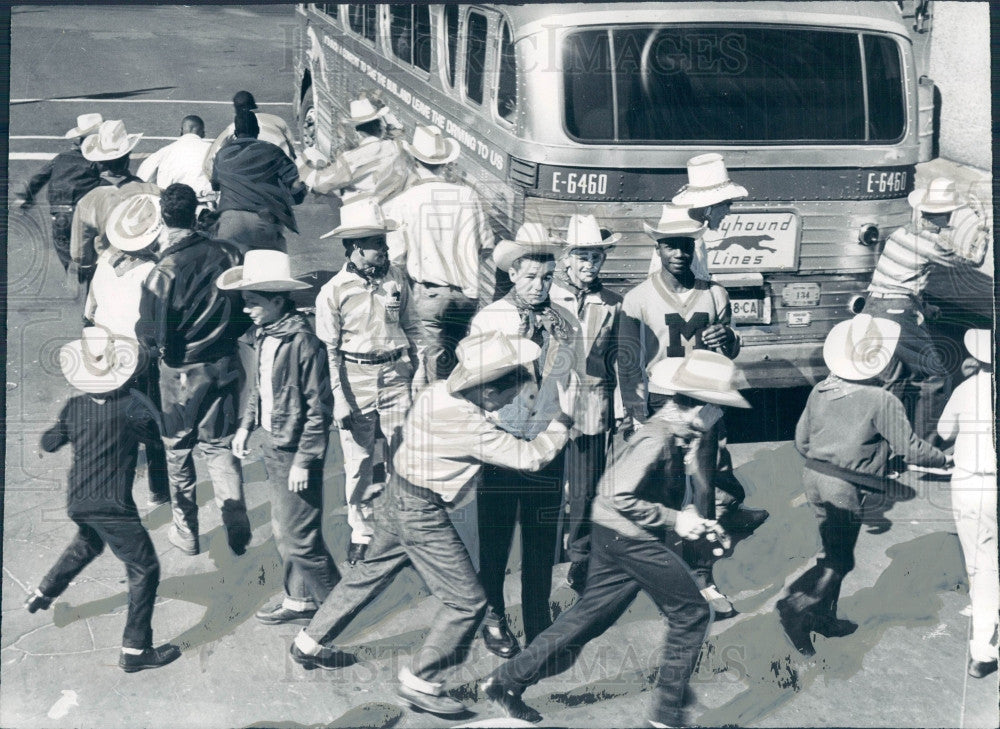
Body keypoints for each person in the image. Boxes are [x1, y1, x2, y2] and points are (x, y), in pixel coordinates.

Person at [290, 331, 577, 718]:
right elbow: (530, 458)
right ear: (488, 391)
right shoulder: (472, 427)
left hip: (396, 495)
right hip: (422, 513)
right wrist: (563, 422)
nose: (513, 401)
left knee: (369, 575)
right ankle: (421, 681)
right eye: (509, 394)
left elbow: (478, 424)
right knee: (467, 601)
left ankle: (309, 642)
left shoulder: (438, 393)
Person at [481, 350, 746, 728]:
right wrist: (674, 519)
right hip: (629, 539)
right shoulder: (658, 437)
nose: (721, 415)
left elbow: (656, 495)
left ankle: (505, 681)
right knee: (691, 613)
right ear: (700, 407)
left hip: (617, 535)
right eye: (719, 407)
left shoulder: (678, 432)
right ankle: (668, 716)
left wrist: (696, 521)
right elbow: (613, 494)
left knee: (588, 618)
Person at [621, 204, 765, 618]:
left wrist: (730, 337)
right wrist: (634, 411)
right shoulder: (637, 298)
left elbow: (732, 351)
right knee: (660, 494)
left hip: (705, 407)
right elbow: (628, 361)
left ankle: (702, 576)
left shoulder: (716, 292)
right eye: (671, 245)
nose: (679, 253)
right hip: (660, 408)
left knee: (702, 492)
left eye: (686, 245)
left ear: (694, 246)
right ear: (659, 248)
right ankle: (661, 575)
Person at [778, 314, 951, 656]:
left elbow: (801, 440)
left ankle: (824, 619)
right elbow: (910, 448)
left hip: (814, 476)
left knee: (833, 550)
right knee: (841, 559)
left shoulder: (821, 389)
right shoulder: (881, 400)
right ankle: (799, 608)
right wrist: (944, 459)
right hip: (844, 486)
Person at [24, 328, 180, 673]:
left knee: (89, 542)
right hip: (112, 505)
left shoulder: (75, 407)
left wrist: (69, 427)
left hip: (79, 500)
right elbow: (159, 437)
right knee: (145, 568)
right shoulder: (132, 407)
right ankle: (136, 650)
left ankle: (43, 592)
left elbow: (50, 443)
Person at [467, 223, 580, 658]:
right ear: (512, 274)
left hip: (547, 444)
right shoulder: (491, 319)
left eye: (546, 277)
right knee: (495, 538)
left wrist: (563, 429)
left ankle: (537, 618)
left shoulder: (566, 323)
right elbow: (473, 383)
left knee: (541, 539)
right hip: (500, 443)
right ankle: (492, 615)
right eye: (530, 276)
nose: (538, 285)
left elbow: (571, 380)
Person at [219, 251, 340, 626]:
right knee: (283, 531)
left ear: (276, 300)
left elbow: (319, 408)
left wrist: (305, 459)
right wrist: (245, 426)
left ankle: (340, 612)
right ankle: (300, 600)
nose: (247, 310)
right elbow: (259, 387)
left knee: (301, 541)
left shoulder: (303, 342)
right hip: (273, 443)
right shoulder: (265, 334)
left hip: (294, 451)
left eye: (253, 303)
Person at [136, 183, 252, 557]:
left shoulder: (162, 273)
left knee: (179, 452)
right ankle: (237, 530)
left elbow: (151, 337)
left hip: (180, 376)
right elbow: (243, 310)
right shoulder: (229, 254)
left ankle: (187, 534)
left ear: (164, 218)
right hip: (223, 363)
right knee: (220, 449)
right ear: (193, 213)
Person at [314, 196, 422, 565]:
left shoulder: (396, 280)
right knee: (358, 461)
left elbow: (412, 326)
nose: (384, 248)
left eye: (384, 241)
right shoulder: (333, 291)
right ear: (356, 248)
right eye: (377, 243)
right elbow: (328, 350)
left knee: (401, 454)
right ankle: (360, 529)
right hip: (354, 377)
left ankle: (399, 527)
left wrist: (419, 373)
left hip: (396, 375)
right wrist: (338, 399)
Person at [866, 176, 990, 442]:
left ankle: (886, 448)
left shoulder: (902, 232)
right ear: (944, 216)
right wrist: (983, 228)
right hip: (898, 312)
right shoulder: (934, 243)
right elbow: (974, 260)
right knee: (936, 377)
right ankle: (923, 446)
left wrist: (924, 306)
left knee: (892, 381)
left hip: (874, 307)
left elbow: (901, 278)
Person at [547, 213, 624, 592]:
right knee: (544, 480)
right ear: (566, 258)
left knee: (583, 487)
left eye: (596, 257)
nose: (589, 265)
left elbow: (616, 360)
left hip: (593, 402)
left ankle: (580, 558)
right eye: (582, 256)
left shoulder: (612, 303)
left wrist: (622, 411)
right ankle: (543, 550)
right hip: (547, 404)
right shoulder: (546, 295)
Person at [382, 124, 495, 381]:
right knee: (457, 360)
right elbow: (486, 245)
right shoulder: (468, 196)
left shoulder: (405, 201)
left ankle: (433, 413)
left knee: (429, 364)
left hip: (428, 295)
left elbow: (396, 257)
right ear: (446, 164)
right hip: (466, 295)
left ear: (413, 161)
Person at [84, 192, 170, 507]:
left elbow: (90, 311)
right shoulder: (154, 272)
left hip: (108, 355)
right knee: (150, 424)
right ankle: (158, 490)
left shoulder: (105, 262)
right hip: (140, 358)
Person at [937, 328, 997, 678]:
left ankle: (983, 650)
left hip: (974, 483)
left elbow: (945, 433)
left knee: (981, 562)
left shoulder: (966, 389)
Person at [70, 120, 158, 287]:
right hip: (146, 271)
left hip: (107, 271)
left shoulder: (89, 200)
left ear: (100, 163)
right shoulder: (152, 190)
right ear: (127, 158)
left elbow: (80, 254)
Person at [211, 108, 306, 255]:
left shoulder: (222, 154)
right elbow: (296, 185)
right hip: (265, 221)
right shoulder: (273, 151)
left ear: (235, 133)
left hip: (230, 222)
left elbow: (215, 184)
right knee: (273, 267)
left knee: (227, 270)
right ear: (257, 131)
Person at [17, 113, 103, 273]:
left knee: (65, 251)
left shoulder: (61, 158)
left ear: (78, 141)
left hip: (60, 214)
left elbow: (38, 177)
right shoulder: (96, 162)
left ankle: (72, 274)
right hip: (82, 214)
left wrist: (27, 198)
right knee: (89, 252)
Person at [649, 153, 749, 280]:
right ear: (711, 205)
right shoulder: (691, 238)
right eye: (727, 205)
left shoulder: (682, 224)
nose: (727, 212)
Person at [325, 96, 409, 203]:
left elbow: (325, 186)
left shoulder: (349, 158)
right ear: (380, 127)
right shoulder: (397, 147)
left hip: (362, 210)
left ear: (358, 133)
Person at [204, 90, 298, 179]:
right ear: (255, 105)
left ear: (236, 110)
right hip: (283, 177)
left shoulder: (232, 129)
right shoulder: (278, 121)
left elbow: (209, 164)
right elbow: (293, 152)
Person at [137, 114, 213, 199]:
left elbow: (143, 176)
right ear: (203, 134)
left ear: (181, 131)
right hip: (204, 201)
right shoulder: (213, 150)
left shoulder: (165, 151)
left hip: (172, 204)